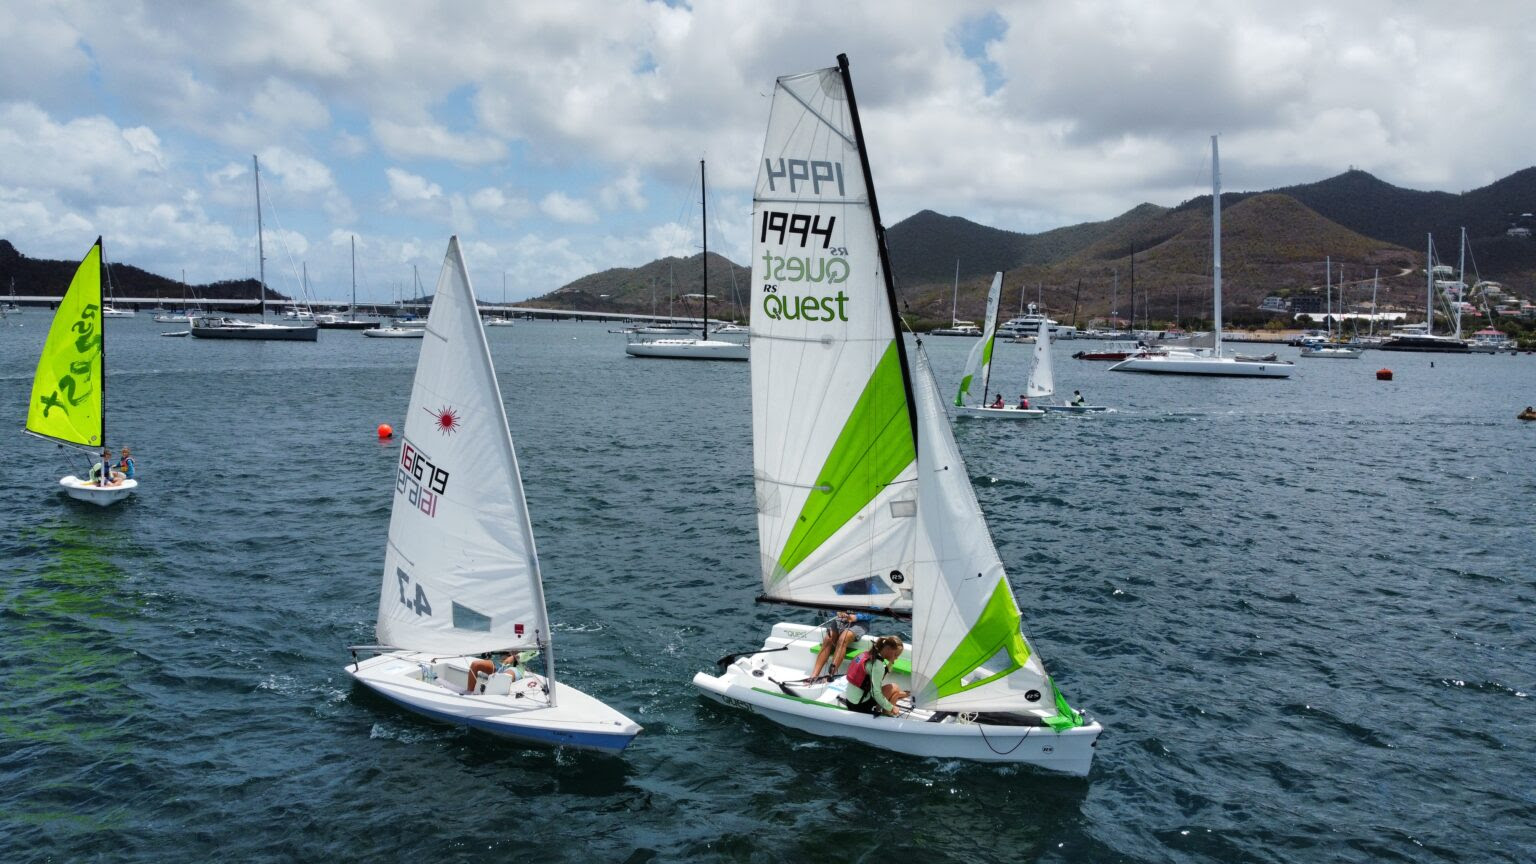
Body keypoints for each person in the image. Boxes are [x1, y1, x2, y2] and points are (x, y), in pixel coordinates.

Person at [841, 635, 909, 717]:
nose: (896, 658)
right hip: (859, 706)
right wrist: (891, 707)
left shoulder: (867, 654)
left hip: (850, 701)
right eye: (896, 655)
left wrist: (890, 664)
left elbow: (878, 676)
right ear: (889, 650)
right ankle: (887, 714)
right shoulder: (878, 665)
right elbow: (876, 693)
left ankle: (899, 696)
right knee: (894, 688)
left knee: (895, 689)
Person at [809, 610, 872, 680]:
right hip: (841, 619)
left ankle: (830, 676)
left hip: (861, 622)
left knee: (843, 639)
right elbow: (833, 605)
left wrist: (857, 617)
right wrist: (837, 612)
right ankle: (813, 676)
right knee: (828, 639)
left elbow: (875, 611)